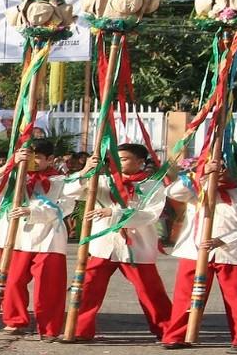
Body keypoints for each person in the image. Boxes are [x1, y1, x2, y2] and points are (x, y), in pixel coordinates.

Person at [62, 144, 172, 342]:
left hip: (136, 247)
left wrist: (114, 213)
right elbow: (69, 191)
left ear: (140, 162)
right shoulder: (102, 180)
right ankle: (79, 329)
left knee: (150, 291)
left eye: (124, 159)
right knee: (88, 287)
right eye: (116, 158)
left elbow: (150, 215)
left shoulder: (152, 185)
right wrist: (86, 169)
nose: (118, 162)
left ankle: (168, 331)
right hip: (103, 245)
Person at [161, 156, 237, 351]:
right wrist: (201, 174)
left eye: (226, 166)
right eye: (219, 165)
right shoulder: (197, 189)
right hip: (195, 251)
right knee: (186, 296)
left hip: (232, 253)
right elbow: (173, 192)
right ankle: (176, 335)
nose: (222, 170)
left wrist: (222, 240)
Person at [0, 139, 73, 340]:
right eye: (28, 157)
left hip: (48, 237)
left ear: (50, 159)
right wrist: (9, 165)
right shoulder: (13, 175)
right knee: (12, 280)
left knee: (49, 285)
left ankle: (49, 327)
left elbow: (65, 207)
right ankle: (14, 320)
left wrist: (32, 211)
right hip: (15, 236)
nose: (32, 162)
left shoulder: (60, 180)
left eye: (37, 158)